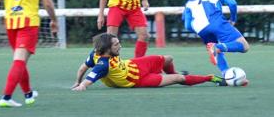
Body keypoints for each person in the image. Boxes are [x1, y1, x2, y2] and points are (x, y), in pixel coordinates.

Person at [71, 33, 224, 91]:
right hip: (138, 80)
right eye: (116, 45)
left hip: (134, 64)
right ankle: (211, 78)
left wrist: (77, 81)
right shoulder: (103, 64)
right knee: (179, 79)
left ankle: (174, 73)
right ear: (107, 49)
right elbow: (89, 80)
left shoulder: (95, 53)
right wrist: (81, 86)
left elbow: (81, 69)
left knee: (169, 58)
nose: (120, 46)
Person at [182, 0, 249, 85]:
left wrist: (199, 30)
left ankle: (227, 76)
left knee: (213, 47)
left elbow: (187, 25)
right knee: (244, 46)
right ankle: (218, 47)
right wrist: (233, 19)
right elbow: (232, 3)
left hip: (200, 29)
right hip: (216, 21)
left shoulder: (189, 1)